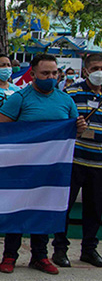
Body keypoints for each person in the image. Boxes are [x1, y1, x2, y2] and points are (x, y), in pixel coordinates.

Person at [0, 53, 86, 274]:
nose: (51, 77)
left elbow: (73, 135)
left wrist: (79, 128)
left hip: (52, 170)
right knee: (17, 210)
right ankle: (10, 255)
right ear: (33, 74)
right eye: (45, 73)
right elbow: (0, 129)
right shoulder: (20, 98)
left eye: (55, 73)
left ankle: (40, 256)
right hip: (22, 168)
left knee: (44, 210)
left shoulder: (66, 101)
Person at [52, 53, 102, 268]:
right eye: (96, 68)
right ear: (86, 71)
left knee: (95, 210)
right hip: (74, 160)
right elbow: (61, 121)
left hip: (99, 163)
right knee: (65, 206)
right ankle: (59, 250)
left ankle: (89, 249)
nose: (100, 72)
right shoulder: (71, 92)